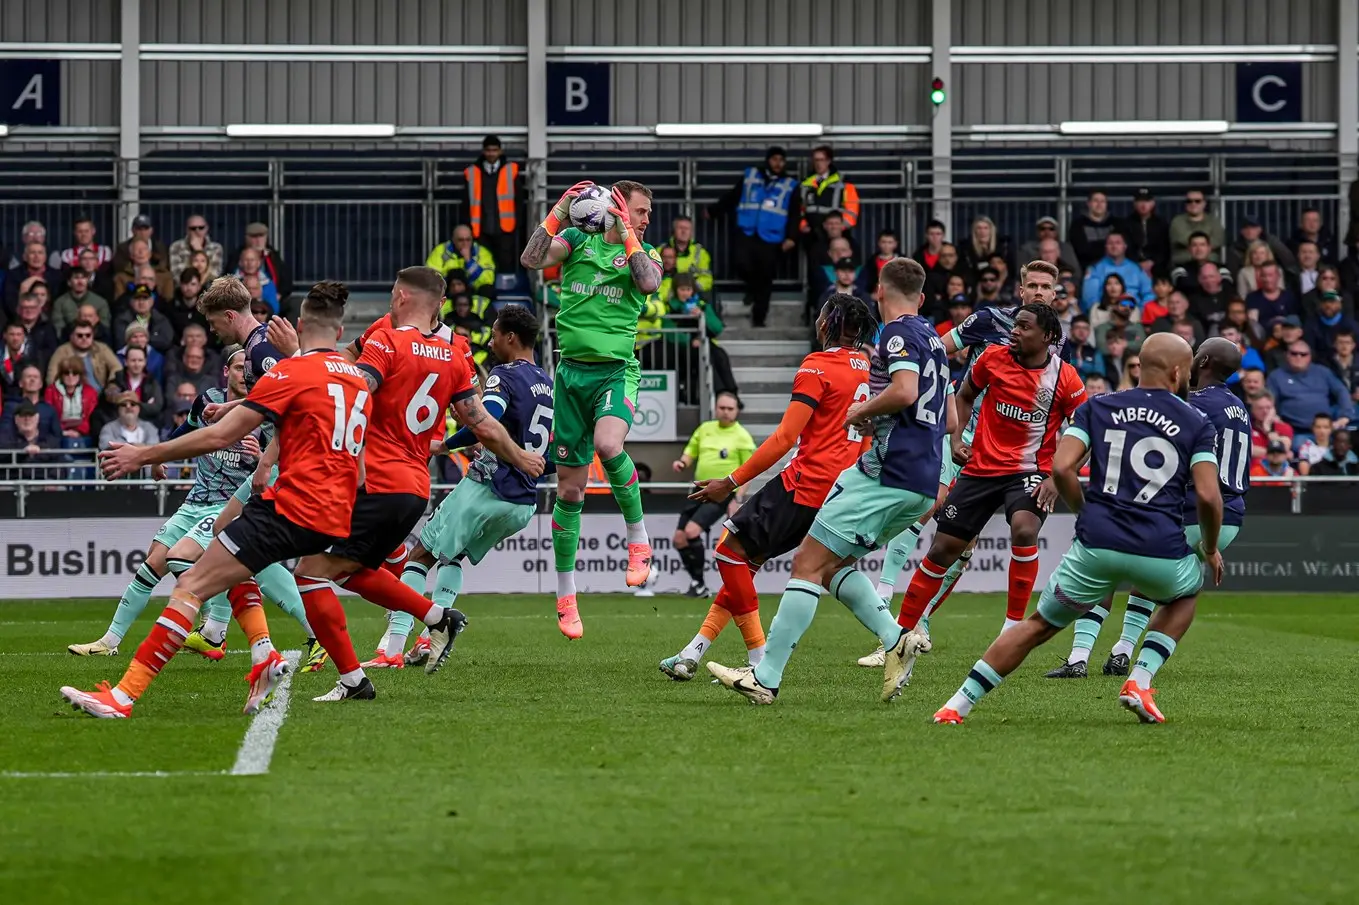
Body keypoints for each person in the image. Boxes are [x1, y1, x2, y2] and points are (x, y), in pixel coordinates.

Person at [64, 284, 373, 719]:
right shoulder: (355, 378)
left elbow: (218, 438)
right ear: (340, 331)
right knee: (227, 548)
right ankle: (265, 655)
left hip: (291, 504)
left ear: (298, 327)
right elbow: (357, 467)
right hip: (335, 509)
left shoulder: (288, 370)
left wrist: (142, 454)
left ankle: (123, 696)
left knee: (190, 582)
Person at [934, 333, 1222, 724]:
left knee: (1037, 626)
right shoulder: (1197, 421)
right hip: (1160, 549)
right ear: (1177, 371)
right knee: (1187, 591)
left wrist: (1085, 511)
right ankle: (1139, 679)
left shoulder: (1097, 407)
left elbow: (1062, 468)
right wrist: (1208, 547)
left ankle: (956, 705)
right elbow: (1207, 495)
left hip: (1096, 544)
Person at [283, 268, 542, 702]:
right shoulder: (457, 354)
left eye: (391, 294)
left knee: (310, 572)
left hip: (375, 479)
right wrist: (521, 457)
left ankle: (354, 679)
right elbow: (480, 422)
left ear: (402, 296)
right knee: (352, 571)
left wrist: (300, 358)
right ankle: (437, 616)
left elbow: (354, 384)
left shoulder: (387, 339)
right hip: (415, 485)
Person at [707, 260, 951, 705]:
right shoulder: (935, 340)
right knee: (832, 566)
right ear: (923, 292)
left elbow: (905, 392)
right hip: (923, 482)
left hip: (884, 471)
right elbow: (951, 419)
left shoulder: (894, 335)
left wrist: (861, 412)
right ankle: (896, 638)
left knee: (805, 565)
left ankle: (765, 676)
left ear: (879, 289)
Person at [658, 293, 877, 681]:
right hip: (836, 491)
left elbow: (784, 437)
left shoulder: (818, 365)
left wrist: (730, 482)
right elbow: (865, 436)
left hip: (804, 483)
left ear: (829, 323)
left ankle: (760, 660)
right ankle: (691, 653)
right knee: (744, 567)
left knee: (728, 554)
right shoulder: (866, 367)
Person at [69, 348, 314, 658]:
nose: (242, 373)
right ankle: (110, 642)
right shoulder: (207, 400)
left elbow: (276, 460)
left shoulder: (263, 411)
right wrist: (158, 457)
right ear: (226, 372)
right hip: (195, 500)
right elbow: (187, 431)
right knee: (154, 561)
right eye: (237, 368)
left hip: (228, 505)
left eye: (246, 368)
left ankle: (215, 625)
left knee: (180, 558)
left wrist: (258, 457)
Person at [888, 304, 1085, 682]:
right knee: (942, 549)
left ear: (1047, 337)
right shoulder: (992, 359)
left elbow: (1085, 426)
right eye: (1014, 325)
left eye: (1024, 327)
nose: (1014, 331)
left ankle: (1011, 628)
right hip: (981, 468)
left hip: (1030, 471)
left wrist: (1059, 475)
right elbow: (964, 395)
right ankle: (900, 635)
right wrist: (960, 434)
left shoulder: (1065, 377)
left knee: (1025, 529)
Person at [1049, 336, 1247, 677]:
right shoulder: (1239, 407)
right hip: (1229, 516)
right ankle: (1123, 652)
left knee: (1108, 564)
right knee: (1150, 581)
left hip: (1190, 508)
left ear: (1201, 363)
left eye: (1195, 353)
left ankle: (1079, 656)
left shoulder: (1192, 405)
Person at [368, 306, 554, 668]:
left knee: (420, 553)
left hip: (489, 486)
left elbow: (486, 420)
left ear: (511, 338)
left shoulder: (504, 375)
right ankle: (428, 639)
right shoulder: (546, 382)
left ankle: (391, 650)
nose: (491, 340)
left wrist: (445, 444)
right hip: (523, 501)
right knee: (451, 556)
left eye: (496, 333)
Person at [520, 179, 662, 637]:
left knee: (607, 443)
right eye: (639, 210)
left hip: (615, 371)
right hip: (570, 375)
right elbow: (531, 259)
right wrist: (561, 208)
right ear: (616, 204)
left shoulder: (646, 252)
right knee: (569, 493)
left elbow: (648, 282)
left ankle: (638, 539)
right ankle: (566, 595)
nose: (645, 219)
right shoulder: (577, 239)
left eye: (645, 213)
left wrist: (627, 231)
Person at [670, 392, 755, 597]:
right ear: (716, 408)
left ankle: (701, 585)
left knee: (691, 532)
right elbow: (691, 451)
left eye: (730, 409)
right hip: (698, 490)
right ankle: (698, 585)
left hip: (722, 493)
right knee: (679, 539)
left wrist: (737, 498)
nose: (725, 412)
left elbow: (749, 471)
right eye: (722, 408)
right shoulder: (705, 429)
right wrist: (682, 463)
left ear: (737, 411)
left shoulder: (741, 436)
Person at [708, 146, 799, 329]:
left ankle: (759, 318)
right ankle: (752, 288)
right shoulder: (751, 176)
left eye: (781, 160)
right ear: (768, 160)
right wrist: (713, 210)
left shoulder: (791, 184)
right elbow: (733, 196)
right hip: (747, 230)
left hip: (772, 237)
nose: (778, 163)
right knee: (741, 263)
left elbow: (794, 212)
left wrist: (792, 237)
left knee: (766, 279)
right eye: (774, 159)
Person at [1266, 341, 1354, 435]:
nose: (1298, 357)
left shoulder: (1323, 372)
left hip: (1325, 428)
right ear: (1287, 355)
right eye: (1294, 354)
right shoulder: (1276, 376)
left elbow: (1341, 391)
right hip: (1294, 430)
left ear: (1309, 357)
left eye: (1303, 354)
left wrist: (1345, 416)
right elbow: (1268, 401)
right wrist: (1275, 417)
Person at [462, 135, 521, 272]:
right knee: (483, 262)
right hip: (480, 229)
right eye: (488, 150)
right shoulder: (472, 172)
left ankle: (504, 292)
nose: (491, 153)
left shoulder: (511, 171)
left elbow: (519, 200)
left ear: (500, 151)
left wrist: (517, 223)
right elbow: (465, 202)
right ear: (483, 151)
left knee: (505, 262)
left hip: (505, 228)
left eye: (494, 150)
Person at [799, 144, 860, 240]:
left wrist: (841, 227)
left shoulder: (844, 182)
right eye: (816, 160)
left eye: (822, 160)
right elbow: (800, 208)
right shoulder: (805, 183)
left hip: (837, 234)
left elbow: (852, 209)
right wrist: (802, 225)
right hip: (811, 234)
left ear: (828, 161)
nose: (818, 164)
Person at [1082, 232, 1153, 308]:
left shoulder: (1136, 268)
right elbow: (1090, 298)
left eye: (1118, 243)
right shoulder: (1095, 268)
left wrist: (1141, 312)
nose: (1114, 246)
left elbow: (1149, 294)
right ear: (1106, 247)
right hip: (1104, 313)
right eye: (1110, 243)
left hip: (1133, 313)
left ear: (1125, 246)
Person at [46, 318, 120, 389]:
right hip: (71, 396)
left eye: (88, 335)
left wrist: (112, 384)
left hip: (100, 396)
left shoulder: (102, 348)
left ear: (93, 336)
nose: (84, 339)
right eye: (80, 335)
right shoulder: (61, 352)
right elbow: (51, 377)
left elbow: (117, 368)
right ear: (71, 336)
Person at [1118, 188, 1171, 276]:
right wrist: (1137, 264)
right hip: (1132, 265)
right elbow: (1126, 248)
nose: (1143, 205)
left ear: (1153, 203)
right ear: (1134, 204)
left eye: (1146, 201)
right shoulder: (1126, 224)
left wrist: (1152, 262)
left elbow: (1165, 248)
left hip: (1157, 266)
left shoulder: (1161, 223)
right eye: (1140, 201)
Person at [45, 358, 98, 445]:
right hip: (58, 433)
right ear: (61, 375)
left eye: (75, 373)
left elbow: (91, 417)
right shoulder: (51, 391)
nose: (70, 376)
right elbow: (49, 416)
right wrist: (62, 431)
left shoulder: (90, 392)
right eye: (66, 373)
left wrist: (79, 431)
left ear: (80, 375)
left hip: (84, 433)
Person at [0, 402, 58, 480]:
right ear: (16, 419)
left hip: (42, 485)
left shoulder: (49, 439)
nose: (27, 419)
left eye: (30, 415)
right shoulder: (6, 438)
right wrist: (23, 449)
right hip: (12, 484)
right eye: (23, 416)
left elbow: (61, 461)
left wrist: (52, 479)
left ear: (37, 418)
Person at [1170, 189, 1225, 265]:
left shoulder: (1214, 222)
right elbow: (1182, 240)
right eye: (1189, 201)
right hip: (1183, 263)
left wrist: (1194, 245)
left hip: (1210, 264)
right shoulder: (1177, 221)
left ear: (1204, 203)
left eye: (1197, 201)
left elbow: (1217, 241)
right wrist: (1203, 245)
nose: (1193, 204)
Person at [51, 267, 110, 337]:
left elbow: (105, 328)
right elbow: (58, 330)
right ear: (69, 282)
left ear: (87, 281)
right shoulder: (60, 303)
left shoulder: (101, 302)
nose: (80, 282)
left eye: (83, 278)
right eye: (76, 278)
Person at [665, 216, 713, 298]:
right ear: (674, 231)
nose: (684, 231)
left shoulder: (701, 253)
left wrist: (691, 288)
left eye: (687, 228)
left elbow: (707, 279)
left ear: (691, 232)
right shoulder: (661, 250)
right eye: (680, 228)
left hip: (693, 297)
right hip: (666, 296)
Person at [168, 214, 225, 279]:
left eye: (201, 228)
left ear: (206, 228)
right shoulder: (176, 247)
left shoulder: (216, 248)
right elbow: (177, 274)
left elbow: (215, 274)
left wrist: (199, 251)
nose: (197, 231)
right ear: (187, 230)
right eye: (193, 228)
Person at [1068, 190, 1115, 269]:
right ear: (1089, 203)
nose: (1099, 204)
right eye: (1095, 201)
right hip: (1086, 268)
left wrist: (1093, 246)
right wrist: (1106, 247)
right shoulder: (1078, 224)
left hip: (1112, 266)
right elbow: (1081, 250)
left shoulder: (1116, 224)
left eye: (1102, 201)